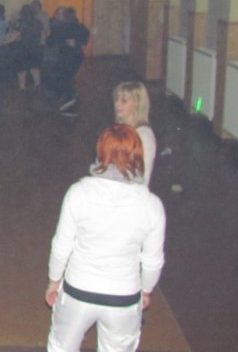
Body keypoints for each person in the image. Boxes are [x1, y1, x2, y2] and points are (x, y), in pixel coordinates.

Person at [45, 124, 165, 352]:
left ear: (100, 152)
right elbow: (153, 260)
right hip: (123, 297)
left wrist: (54, 281)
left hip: (78, 290)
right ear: (137, 156)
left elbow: (61, 244)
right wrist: (146, 290)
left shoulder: (78, 192)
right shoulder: (152, 205)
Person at [45, 7, 89, 115]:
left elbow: (84, 36)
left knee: (65, 79)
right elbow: (52, 41)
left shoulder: (72, 26)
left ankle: (69, 104)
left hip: (69, 57)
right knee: (65, 79)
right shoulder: (56, 25)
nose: (60, 16)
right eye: (59, 13)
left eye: (62, 14)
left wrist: (76, 42)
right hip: (64, 57)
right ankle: (68, 101)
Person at [113, 81, 156, 186]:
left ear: (137, 104)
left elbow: (142, 176)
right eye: (116, 99)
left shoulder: (144, 137)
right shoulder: (119, 129)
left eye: (124, 101)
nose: (117, 104)